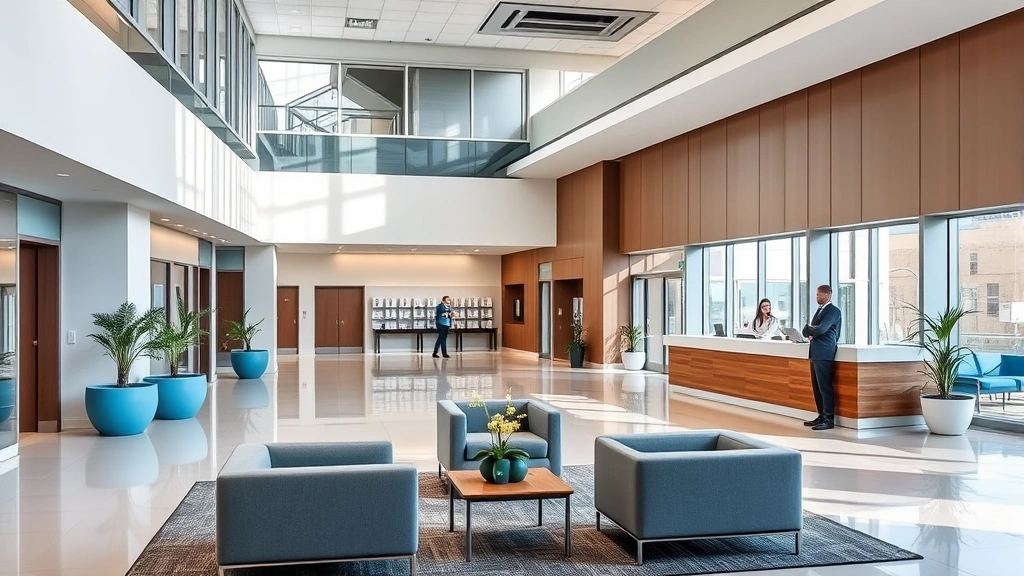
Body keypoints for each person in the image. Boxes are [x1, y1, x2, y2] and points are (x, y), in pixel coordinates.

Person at [802, 285, 842, 430]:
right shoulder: (820, 310)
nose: (817, 297)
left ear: (827, 295)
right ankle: (821, 415)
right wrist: (810, 330)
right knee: (817, 387)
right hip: (815, 352)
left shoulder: (833, 311)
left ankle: (828, 418)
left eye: (818, 294)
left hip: (825, 352)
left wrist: (811, 330)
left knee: (825, 386)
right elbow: (805, 330)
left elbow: (821, 329)